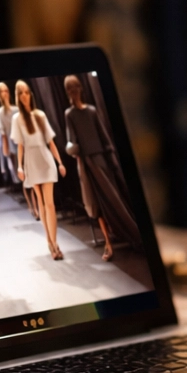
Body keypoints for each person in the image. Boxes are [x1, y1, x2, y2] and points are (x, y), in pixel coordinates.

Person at [62, 74, 139, 262]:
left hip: (101, 162)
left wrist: (111, 160)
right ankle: (108, 243)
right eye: (70, 89)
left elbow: (104, 138)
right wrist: (73, 149)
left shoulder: (92, 111)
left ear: (81, 88)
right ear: (67, 92)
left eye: (75, 87)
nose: (74, 91)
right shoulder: (69, 114)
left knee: (113, 200)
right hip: (87, 165)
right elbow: (72, 141)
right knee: (96, 205)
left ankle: (129, 235)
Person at [12, 79, 67, 260]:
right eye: (21, 93)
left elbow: (50, 141)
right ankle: (50, 242)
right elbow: (20, 145)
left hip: (45, 158)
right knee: (41, 204)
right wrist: (19, 166)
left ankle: (55, 242)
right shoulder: (17, 119)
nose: (25, 96)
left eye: (27, 92)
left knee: (50, 204)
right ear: (18, 97)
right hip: (31, 160)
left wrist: (60, 162)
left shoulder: (40, 115)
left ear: (31, 95)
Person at [0, 80, 38, 219]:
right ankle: (32, 206)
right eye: (2, 91)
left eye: (6, 90)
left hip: (25, 144)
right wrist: (6, 151)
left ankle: (36, 205)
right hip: (13, 148)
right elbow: (3, 134)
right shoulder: (0, 113)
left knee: (32, 175)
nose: (4, 93)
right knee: (23, 178)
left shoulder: (16, 109)